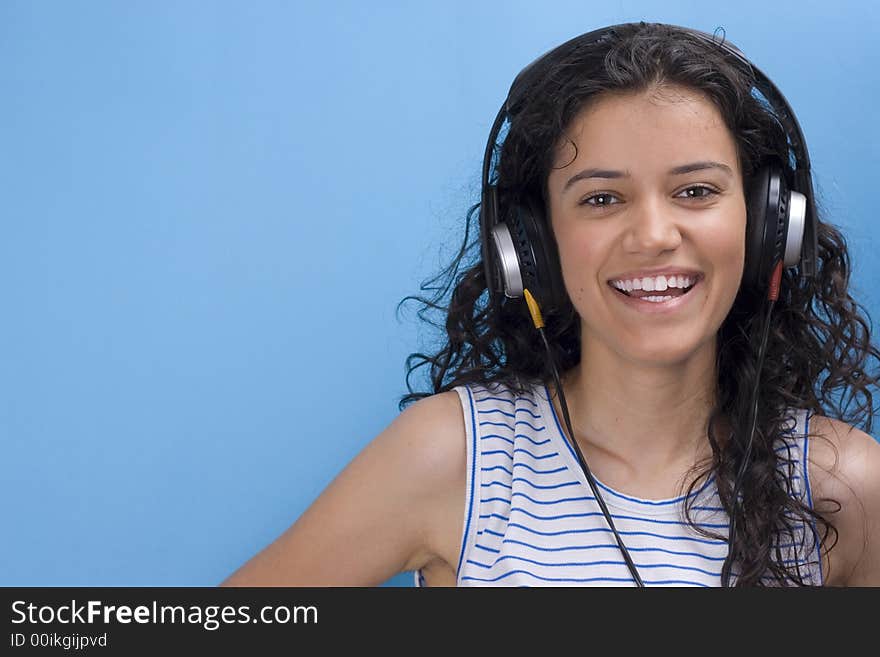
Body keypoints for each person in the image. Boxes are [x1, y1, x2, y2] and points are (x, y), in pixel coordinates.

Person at [221, 22, 880, 587]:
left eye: (696, 191)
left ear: (768, 228)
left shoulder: (845, 482)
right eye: (601, 199)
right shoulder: (454, 457)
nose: (653, 235)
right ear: (532, 244)